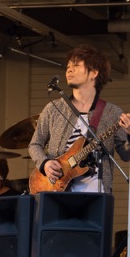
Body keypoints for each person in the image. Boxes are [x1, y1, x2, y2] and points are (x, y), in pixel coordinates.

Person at [28, 44, 130, 194]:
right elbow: (35, 144)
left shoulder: (112, 112)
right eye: (68, 66)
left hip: (97, 192)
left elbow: (126, 155)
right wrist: (45, 163)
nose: (69, 69)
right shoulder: (53, 108)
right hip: (56, 189)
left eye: (76, 65)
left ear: (93, 73)